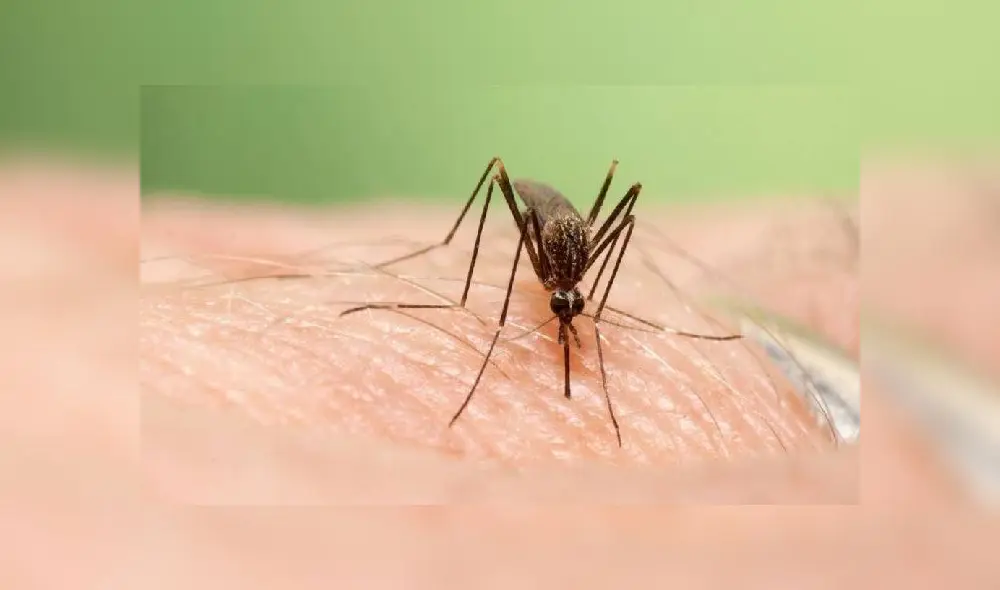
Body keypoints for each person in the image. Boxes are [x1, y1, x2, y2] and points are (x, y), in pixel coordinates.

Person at [2, 155, 993, 588]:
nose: (563, 321)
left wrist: (596, 304)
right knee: (510, 189)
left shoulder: (578, 270)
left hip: (575, 239)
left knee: (623, 195)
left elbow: (604, 238)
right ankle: (423, 273)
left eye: (567, 308)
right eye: (567, 308)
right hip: (543, 220)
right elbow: (531, 221)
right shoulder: (540, 248)